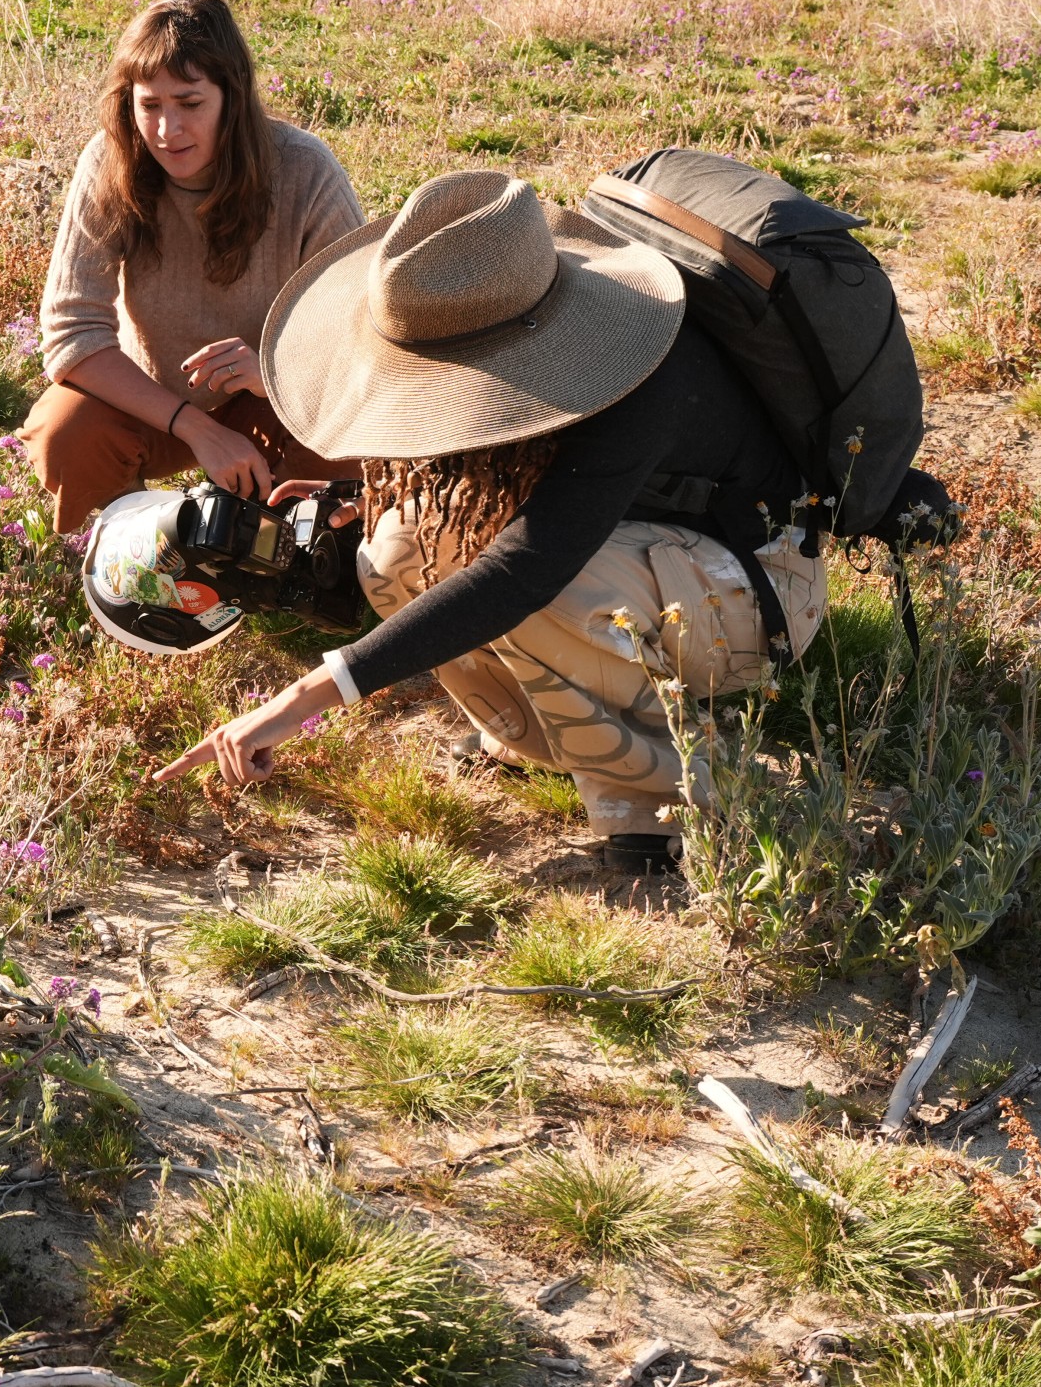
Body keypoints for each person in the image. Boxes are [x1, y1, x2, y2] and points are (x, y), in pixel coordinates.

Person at [152, 169, 830, 873]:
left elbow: (526, 567)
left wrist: (303, 698)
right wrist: (360, 491)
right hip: (646, 548)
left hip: (761, 586)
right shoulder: (529, 330)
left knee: (549, 595)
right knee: (396, 547)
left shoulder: (646, 372)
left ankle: (664, 795)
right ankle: (536, 733)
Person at [22, 0, 367, 537]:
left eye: (190, 102)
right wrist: (195, 427)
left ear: (232, 98)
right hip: (152, 396)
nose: (167, 130)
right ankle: (123, 546)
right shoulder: (108, 162)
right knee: (64, 433)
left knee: (351, 449)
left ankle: (280, 547)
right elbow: (71, 332)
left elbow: (362, 326)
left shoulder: (305, 171)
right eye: (150, 105)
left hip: (273, 401)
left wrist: (278, 373)